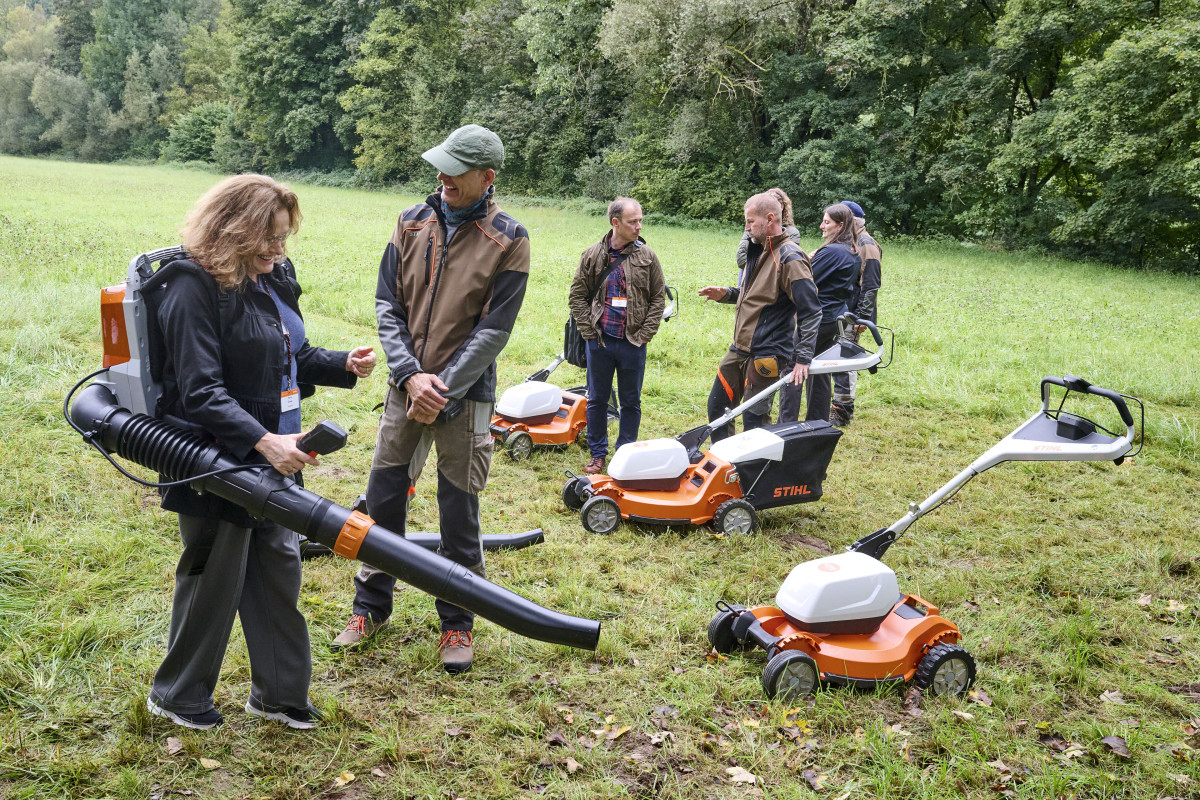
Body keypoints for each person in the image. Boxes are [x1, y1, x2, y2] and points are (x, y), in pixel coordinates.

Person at [147, 174, 377, 730]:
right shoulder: (191, 286)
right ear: (233, 230)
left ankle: (278, 694)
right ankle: (178, 695)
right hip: (218, 460)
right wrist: (263, 441)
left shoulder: (273, 277)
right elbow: (200, 392)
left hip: (278, 457)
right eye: (269, 236)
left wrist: (341, 364)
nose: (279, 248)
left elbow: (288, 355)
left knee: (279, 572)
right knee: (215, 579)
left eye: (284, 236)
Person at [333, 124, 530, 675]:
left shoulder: (510, 238)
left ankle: (457, 623)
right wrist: (409, 376)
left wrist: (441, 389)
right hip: (406, 388)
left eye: (456, 170)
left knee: (457, 512)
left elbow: (495, 330)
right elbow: (387, 303)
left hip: (463, 397)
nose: (443, 176)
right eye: (441, 165)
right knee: (383, 500)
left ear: (487, 177)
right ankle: (370, 608)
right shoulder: (410, 221)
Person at [699, 192, 820, 440]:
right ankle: (725, 459)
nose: (746, 228)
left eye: (750, 221)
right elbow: (758, 296)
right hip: (739, 349)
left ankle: (756, 464)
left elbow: (811, 310)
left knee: (754, 420)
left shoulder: (791, 257)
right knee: (717, 408)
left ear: (770, 219)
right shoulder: (758, 250)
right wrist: (726, 294)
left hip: (767, 353)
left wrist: (803, 357)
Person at [568, 197, 666, 474]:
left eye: (640, 220)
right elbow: (577, 296)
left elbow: (658, 298)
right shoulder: (592, 255)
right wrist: (589, 332)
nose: (639, 226)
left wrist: (645, 334)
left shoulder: (648, 256)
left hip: (633, 342)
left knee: (631, 401)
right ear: (616, 223)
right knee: (597, 399)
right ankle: (598, 454)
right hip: (600, 341)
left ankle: (625, 454)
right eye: (633, 221)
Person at [779, 203, 860, 423]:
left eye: (826, 222)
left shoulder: (831, 251)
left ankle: (786, 424)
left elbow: (806, 279)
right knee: (820, 369)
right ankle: (817, 422)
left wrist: (810, 258)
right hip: (836, 318)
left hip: (818, 319)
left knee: (793, 367)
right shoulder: (852, 251)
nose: (821, 226)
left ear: (840, 225)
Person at [830, 200, 882, 427]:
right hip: (841, 310)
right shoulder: (849, 241)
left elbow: (871, 285)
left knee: (845, 360)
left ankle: (842, 410)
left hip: (854, 313)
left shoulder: (866, 244)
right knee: (835, 357)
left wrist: (862, 317)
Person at [735, 187, 802, 270]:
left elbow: (788, 264)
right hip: (750, 271)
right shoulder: (753, 229)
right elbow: (741, 260)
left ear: (781, 206)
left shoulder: (791, 232)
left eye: (772, 203)